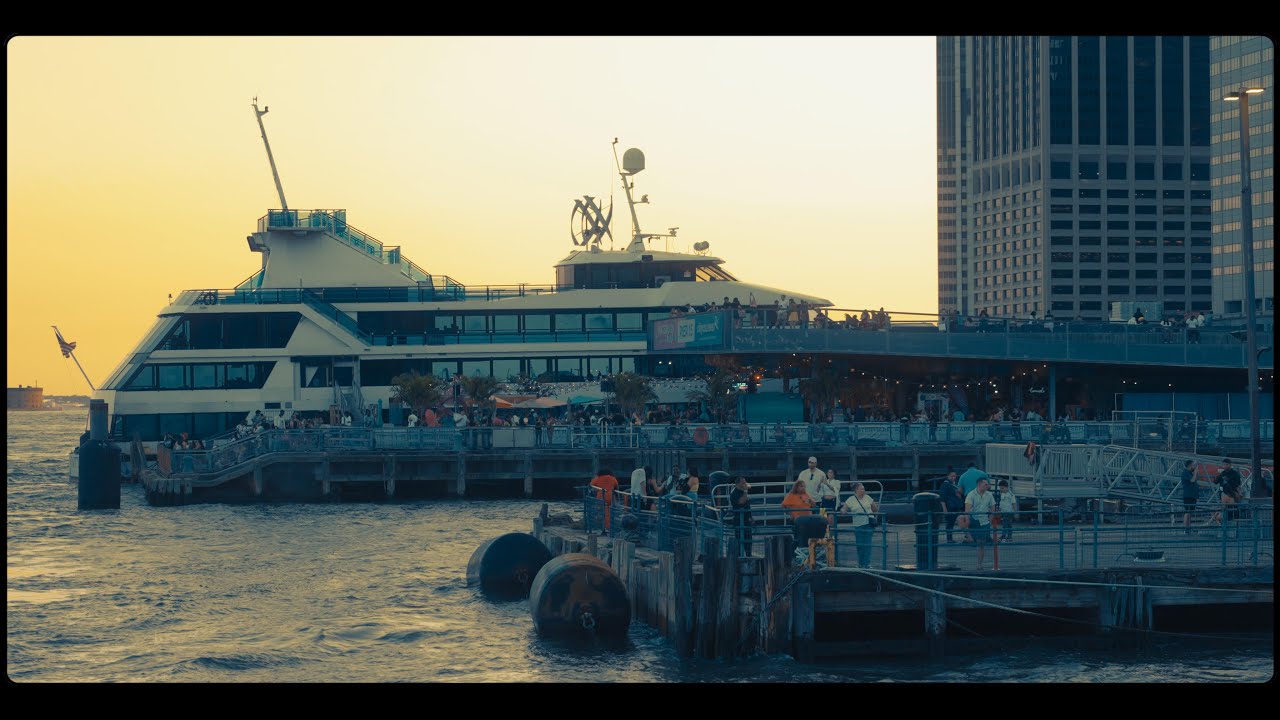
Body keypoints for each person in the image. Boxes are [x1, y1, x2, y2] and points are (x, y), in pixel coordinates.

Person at [841, 482, 879, 568]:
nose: (863, 490)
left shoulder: (868, 497)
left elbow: (875, 509)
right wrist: (843, 510)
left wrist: (872, 509)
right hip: (858, 524)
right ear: (856, 490)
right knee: (860, 545)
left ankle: (867, 564)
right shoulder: (851, 499)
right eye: (861, 489)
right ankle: (861, 563)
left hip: (868, 523)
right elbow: (844, 508)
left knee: (868, 544)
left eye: (864, 489)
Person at [964, 478, 996, 569]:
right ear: (979, 484)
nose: (987, 486)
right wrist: (967, 521)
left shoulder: (989, 495)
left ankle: (979, 564)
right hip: (974, 519)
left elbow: (993, 507)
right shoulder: (971, 494)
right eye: (985, 484)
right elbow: (967, 510)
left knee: (981, 544)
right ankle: (968, 535)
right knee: (960, 518)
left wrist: (990, 520)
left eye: (987, 484)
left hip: (984, 521)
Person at [1211, 458, 1244, 526]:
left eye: (1226, 464)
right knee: (1224, 509)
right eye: (1224, 464)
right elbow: (1216, 482)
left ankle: (1216, 520)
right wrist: (1215, 477)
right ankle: (1218, 521)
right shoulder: (1222, 473)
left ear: (1230, 465)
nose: (1225, 466)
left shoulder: (1235, 473)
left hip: (1232, 494)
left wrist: (1228, 480)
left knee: (1229, 510)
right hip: (1223, 494)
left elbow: (1237, 484)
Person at [937, 469, 966, 543]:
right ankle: (949, 538)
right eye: (952, 476)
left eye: (955, 476)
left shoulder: (954, 485)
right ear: (948, 476)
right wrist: (944, 509)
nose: (953, 477)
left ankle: (951, 538)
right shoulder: (945, 484)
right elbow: (942, 498)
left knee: (952, 523)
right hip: (949, 507)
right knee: (950, 523)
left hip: (956, 506)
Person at [729, 476, 754, 556]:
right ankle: (739, 557)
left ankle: (748, 556)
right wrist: (746, 490)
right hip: (739, 520)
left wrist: (751, 517)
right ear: (737, 484)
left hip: (747, 519)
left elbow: (747, 504)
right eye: (742, 483)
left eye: (745, 482)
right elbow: (741, 502)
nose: (744, 484)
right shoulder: (734, 493)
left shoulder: (742, 491)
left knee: (748, 540)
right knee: (739, 541)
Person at [590, 468, 619, 533]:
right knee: (610, 512)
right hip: (610, 496)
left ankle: (604, 527)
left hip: (601, 496)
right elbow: (616, 486)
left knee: (602, 512)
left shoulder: (598, 478)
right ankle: (610, 526)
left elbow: (591, 485)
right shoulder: (612, 478)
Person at [1180, 459, 1200, 532]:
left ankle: (1189, 527)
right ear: (1190, 466)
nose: (1195, 467)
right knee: (1187, 511)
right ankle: (1186, 528)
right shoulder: (1185, 473)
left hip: (1193, 495)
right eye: (1194, 465)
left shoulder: (1190, 473)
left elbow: (1195, 480)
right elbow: (1192, 480)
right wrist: (1195, 473)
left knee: (1190, 512)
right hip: (1188, 495)